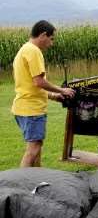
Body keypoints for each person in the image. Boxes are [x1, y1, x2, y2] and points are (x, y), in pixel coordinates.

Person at [11, 20, 75, 167]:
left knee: (37, 148)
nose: (51, 43)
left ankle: (36, 180)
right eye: (51, 39)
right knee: (33, 149)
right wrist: (62, 90)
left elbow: (30, 86)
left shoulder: (23, 50)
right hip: (32, 110)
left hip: (23, 107)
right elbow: (38, 82)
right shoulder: (34, 51)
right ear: (43, 35)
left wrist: (54, 96)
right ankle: (20, 184)